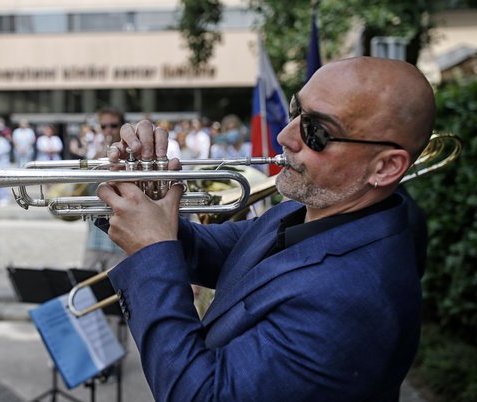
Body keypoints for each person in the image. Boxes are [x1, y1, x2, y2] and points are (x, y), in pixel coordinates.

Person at [96, 57, 435, 401]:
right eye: (295, 111)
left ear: (386, 167)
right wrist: (137, 196)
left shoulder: (352, 300)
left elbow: (200, 396)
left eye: (316, 132)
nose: (284, 136)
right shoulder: (314, 211)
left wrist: (151, 250)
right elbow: (210, 251)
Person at [82, 107, 127, 271]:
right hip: (95, 235)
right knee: (86, 288)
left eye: (113, 125)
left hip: (120, 239)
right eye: (103, 126)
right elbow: (86, 192)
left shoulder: (131, 157)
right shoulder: (95, 156)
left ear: (122, 127)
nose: (108, 130)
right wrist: (95, 165)